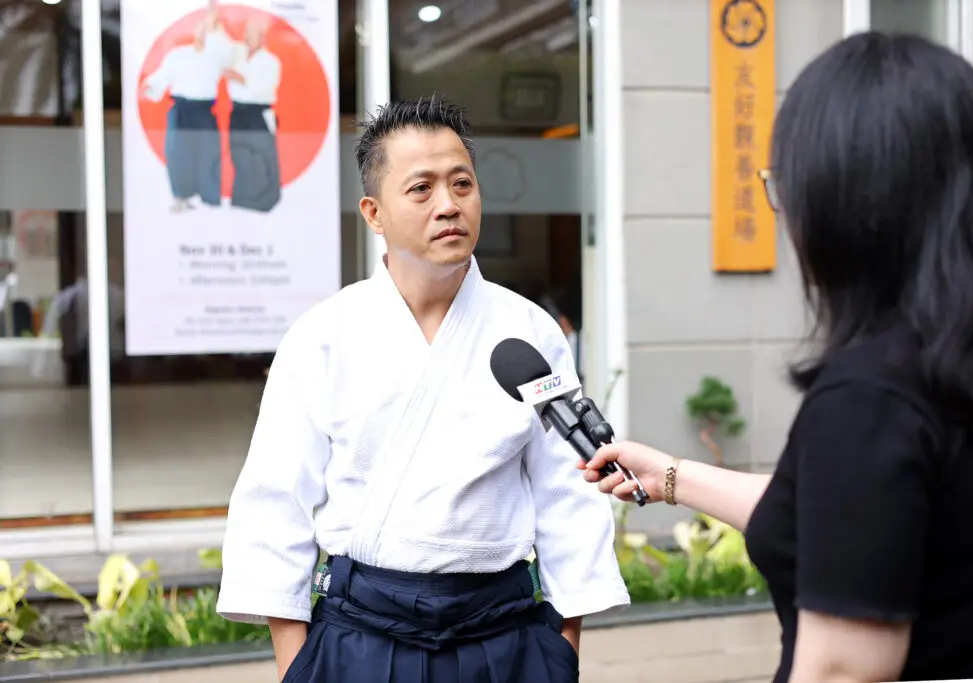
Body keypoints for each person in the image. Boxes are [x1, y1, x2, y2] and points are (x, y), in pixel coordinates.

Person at [580, 31, 973, 683]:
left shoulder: (872, 396)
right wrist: (671, 476)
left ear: (849, 204)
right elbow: (854, 520)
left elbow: (843, 667)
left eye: (785, 185)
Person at [216, 97, 629, 683]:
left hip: (504, 634)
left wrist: (560, 653)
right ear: (374, 212)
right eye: (421, 189)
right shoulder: (323, 336)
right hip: (360, 636)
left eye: (463, 184)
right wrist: (299, 667)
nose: (449, 205)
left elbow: (569, 494)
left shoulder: (529, 331)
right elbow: (273, 503)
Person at [141, 5, 234, 212]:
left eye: (207, 27)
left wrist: (215, 26)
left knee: (208, 154)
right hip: (181, 109)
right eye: (199, 26)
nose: (202, 30)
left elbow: (228, 54)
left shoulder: (217, 55)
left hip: (204, 111)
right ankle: (181, 197)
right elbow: (162, 76)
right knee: (177, 154)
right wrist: (151, 87)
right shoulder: (178, 55)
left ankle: (210, 201)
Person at [224, 18, 283, 213]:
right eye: (246, 33)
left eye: (252, 34)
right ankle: (242, 200)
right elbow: (221, 40)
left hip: (258, 113)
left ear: (262, 37)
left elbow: (266, 89)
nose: (248, 37)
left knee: (262, 155)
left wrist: (243, 79)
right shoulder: (236, 55)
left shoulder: (271, 61)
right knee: (240, 155)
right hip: (238, 113)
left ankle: (265, 201)